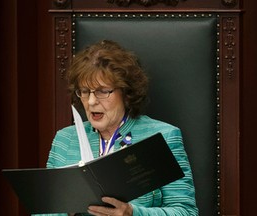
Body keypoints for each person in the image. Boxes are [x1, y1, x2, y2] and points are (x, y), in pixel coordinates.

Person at [36, 40, 198, 216]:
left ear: (126, 92)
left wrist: (132, 213)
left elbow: (186, 212)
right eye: (84, 91)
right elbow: (43, 211)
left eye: (102, 91)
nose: (91, 102)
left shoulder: (164, 136)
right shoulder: (64, 140)